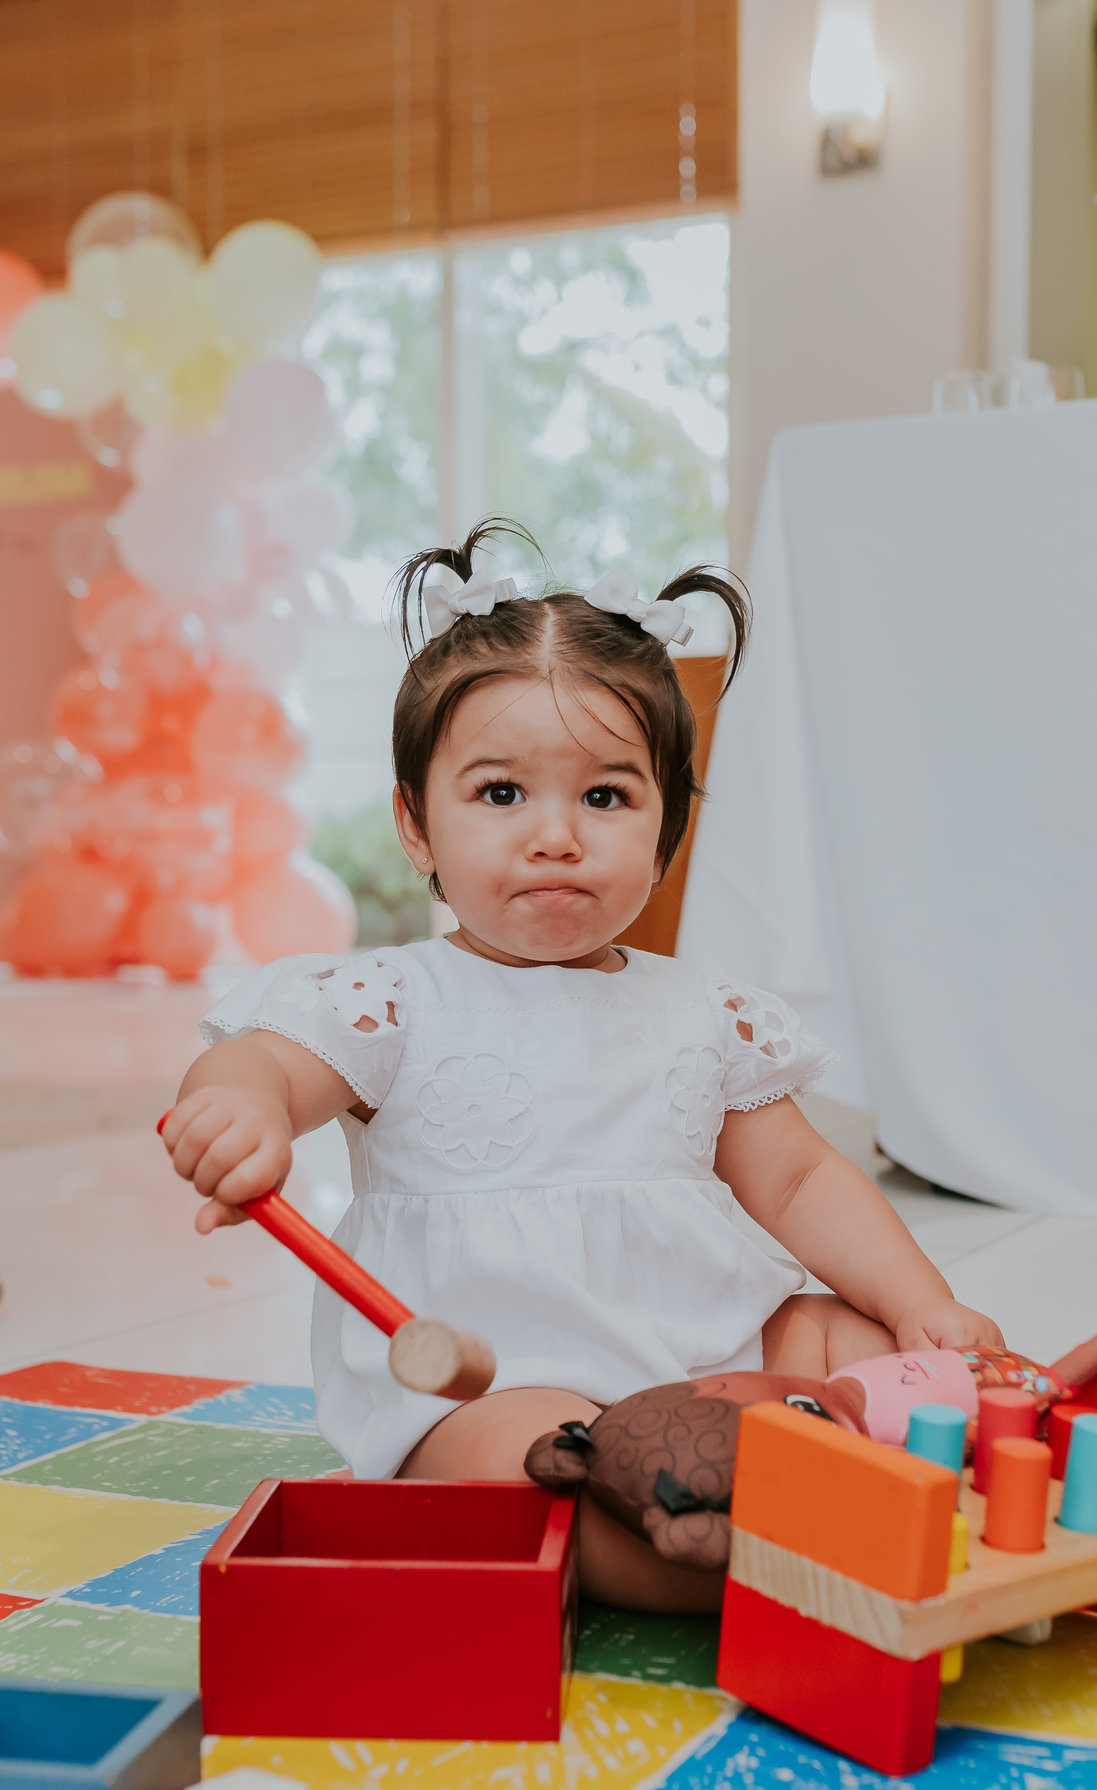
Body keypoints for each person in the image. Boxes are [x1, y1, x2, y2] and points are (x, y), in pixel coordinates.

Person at [160, 520, 1003, 1614]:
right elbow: (269, 1065)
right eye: (501, 794)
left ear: (666, 829)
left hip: (703, 1346)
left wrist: (921, 1303)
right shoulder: (396, 1000)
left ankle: (850, 1477)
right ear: (417, 826)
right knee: (515, 1464)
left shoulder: (702, 1010)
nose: (556, 836)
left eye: (605, 797)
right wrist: (238, 1110)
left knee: (859, 1336)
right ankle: (716, 1545)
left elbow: (799, 1181)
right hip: (494, 1375)